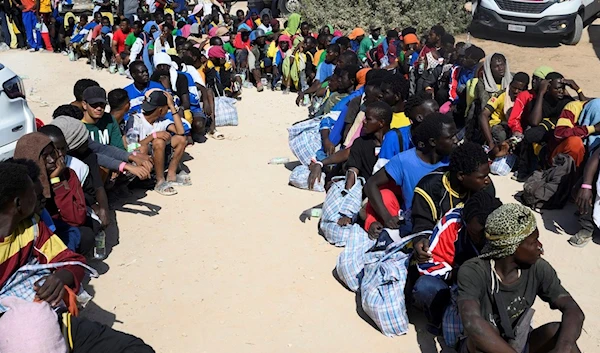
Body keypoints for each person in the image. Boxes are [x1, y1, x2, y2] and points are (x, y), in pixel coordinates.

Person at [0, 163, 156, 352]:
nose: (41, 196)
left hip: (48, 320)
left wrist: (61, 277)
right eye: (33, 193)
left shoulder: (32, 228)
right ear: (18, 204)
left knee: (135, 348)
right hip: (15, 331)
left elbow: (71, 261)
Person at [457, 203, 585, 353]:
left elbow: (573, 309)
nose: (540, 247)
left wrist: (565, 345)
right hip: (484, 346)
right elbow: (472, 323)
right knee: (479, 340)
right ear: (511, 248)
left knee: (559, 333)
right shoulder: (473, 271)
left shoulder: (538, 268)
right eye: (533, 242)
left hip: (517, 340)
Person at [413, 190, 502, 336]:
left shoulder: (504, 231)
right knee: (425, 287)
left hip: (485, 287)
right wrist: (455, 274)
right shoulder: (453, 222)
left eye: (485, 234)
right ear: (466, 222)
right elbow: (427, 264)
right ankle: (440, 320)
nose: (480, 239)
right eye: (476, 233)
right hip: (452, 282)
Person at [363, 113, 458, 237]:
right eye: (450, 137)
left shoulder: (455, 159)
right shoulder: (405, 161)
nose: (456, 140)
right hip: (417, 223)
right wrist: (387, 218)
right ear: (433, 142)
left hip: (449, 222)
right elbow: (371, 184)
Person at [13, 134, 96, 255]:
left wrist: (56, 182)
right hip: (32, 234)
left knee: (87, 233)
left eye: (53, 153)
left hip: (58, 227)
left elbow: (76, 219)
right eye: (44, 157)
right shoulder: (20, 185)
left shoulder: (67, 175)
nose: (52, 160)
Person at [411, 141, 494, 238]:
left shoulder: (485, 188)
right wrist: (421, 239)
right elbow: (422, 224)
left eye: (487, 175)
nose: (487, 180)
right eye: (482, 177)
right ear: (461, 176)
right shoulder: (429, 189)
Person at [124, 90, 188, 196]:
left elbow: (181, 132)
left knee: (181, 139)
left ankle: (171, 175)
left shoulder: (161, 121)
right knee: (158, 142)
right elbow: (131, 147)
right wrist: (152, 136)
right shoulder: (135, 120)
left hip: (156, 158)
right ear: (161, 110)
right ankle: (159, 181)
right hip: (140, 159)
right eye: (166, 108)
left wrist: (172, 107)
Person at [376, 94, 439, 170]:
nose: (440, 115)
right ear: (419, 118)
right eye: (436, 112)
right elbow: (381, 170)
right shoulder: (394, 138)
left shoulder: (440, 138)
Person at [479, 72, 530, 158]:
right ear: (510, 84)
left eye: (520, 89)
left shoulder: (527, 98)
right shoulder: (501, 95)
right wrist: (490, 142)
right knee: (501, 135)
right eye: (514, 88)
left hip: (516, 127)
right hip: (499, 126)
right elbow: (483, 115)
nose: (516, 91)